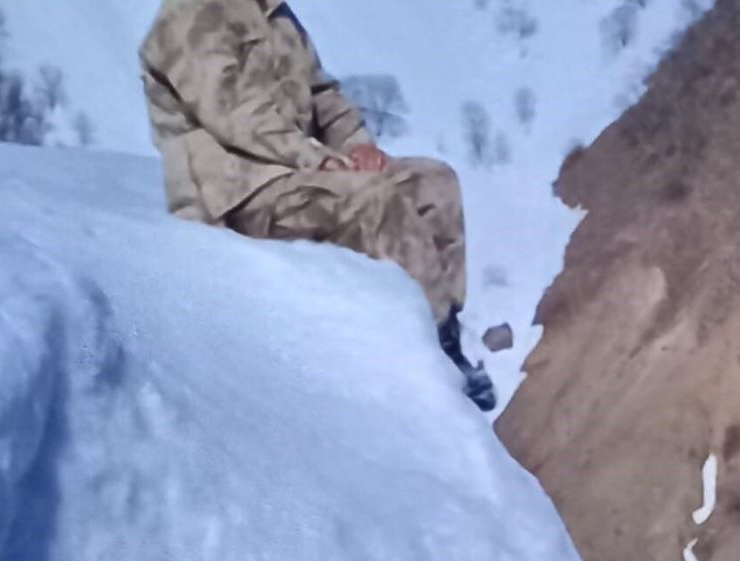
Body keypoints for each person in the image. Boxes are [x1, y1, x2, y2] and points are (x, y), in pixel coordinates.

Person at [139, 0, 496, 411]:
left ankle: (447, 336)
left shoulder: (275, 12)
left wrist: (358, 146)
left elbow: (322, 94)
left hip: (299, 173)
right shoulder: (191, 16)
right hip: (237, 192)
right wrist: (317, 159)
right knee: (372, 199)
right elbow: (234, 115)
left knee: (434, 183)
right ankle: (433, 361)